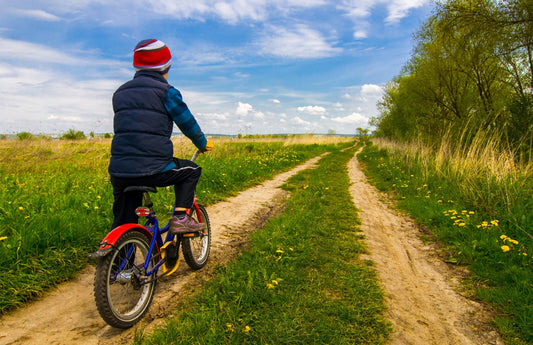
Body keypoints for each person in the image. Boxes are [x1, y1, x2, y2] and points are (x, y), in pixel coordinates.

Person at [108, 38, 213, 234]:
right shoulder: (167, 92)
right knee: (191, 171)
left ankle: (118, 261)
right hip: (154, 168)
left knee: (123, 222)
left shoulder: (119, 93)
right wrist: (202, 143)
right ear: (166, 67)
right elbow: (186, 122)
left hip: (119, 170)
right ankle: (181, 219)